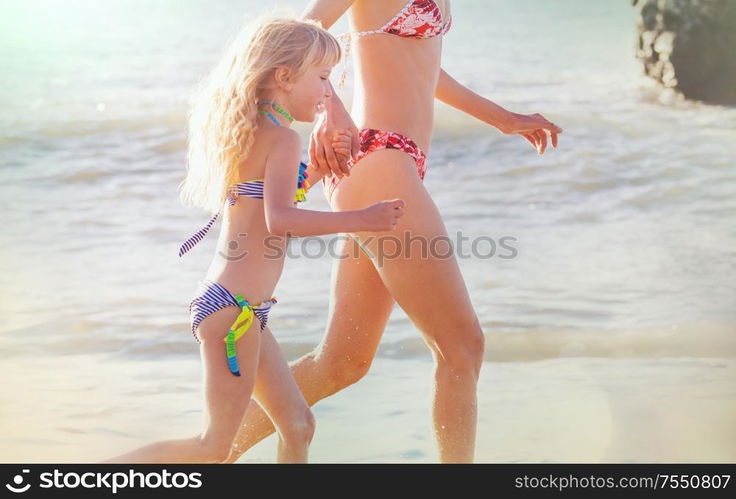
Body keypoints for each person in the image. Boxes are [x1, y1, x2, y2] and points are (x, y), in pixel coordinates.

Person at [227, 0, 563, 463]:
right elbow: (299, 32)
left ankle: (212, 451)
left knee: (342, 363)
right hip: (378, 158)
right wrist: (329, 108)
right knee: (462, 347)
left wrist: (503, 118)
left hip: (386, 165)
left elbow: (425, 69)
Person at [102, 15, 404, 464]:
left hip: (238, 308)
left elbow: (262, 204)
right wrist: (364, 218)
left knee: (298, 425)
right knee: (211, 448)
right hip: (235, 313)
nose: (327, 91)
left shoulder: (253, 133)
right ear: (284, 77)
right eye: (321, 78)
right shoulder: (281, 140)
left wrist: (316, 173)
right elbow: (280, 219)